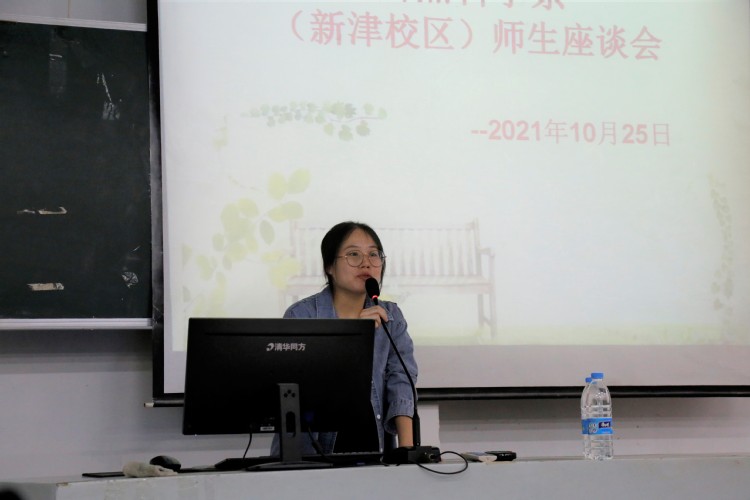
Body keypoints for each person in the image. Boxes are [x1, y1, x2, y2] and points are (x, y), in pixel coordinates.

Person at [276, 221, 417, 455]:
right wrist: (354, 339)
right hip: (310, 454)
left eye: (374, 254)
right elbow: (295, 395)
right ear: (329, 266)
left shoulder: (391, 316)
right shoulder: (302, 315)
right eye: (353, 254)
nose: (366, 263)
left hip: (375, 451)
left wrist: (407, 451)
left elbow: (401, 383)